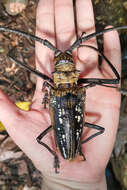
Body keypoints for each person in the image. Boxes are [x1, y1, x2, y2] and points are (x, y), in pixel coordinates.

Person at [0, 0, 121, 189]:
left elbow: (13, 58)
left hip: (63, 138)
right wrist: (96, 51)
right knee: (112, 87)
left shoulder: (61, 86)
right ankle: (72, 152)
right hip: (68, 136)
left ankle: (60, 157)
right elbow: (114, 81)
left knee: (47, 136)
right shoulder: (82, 86)